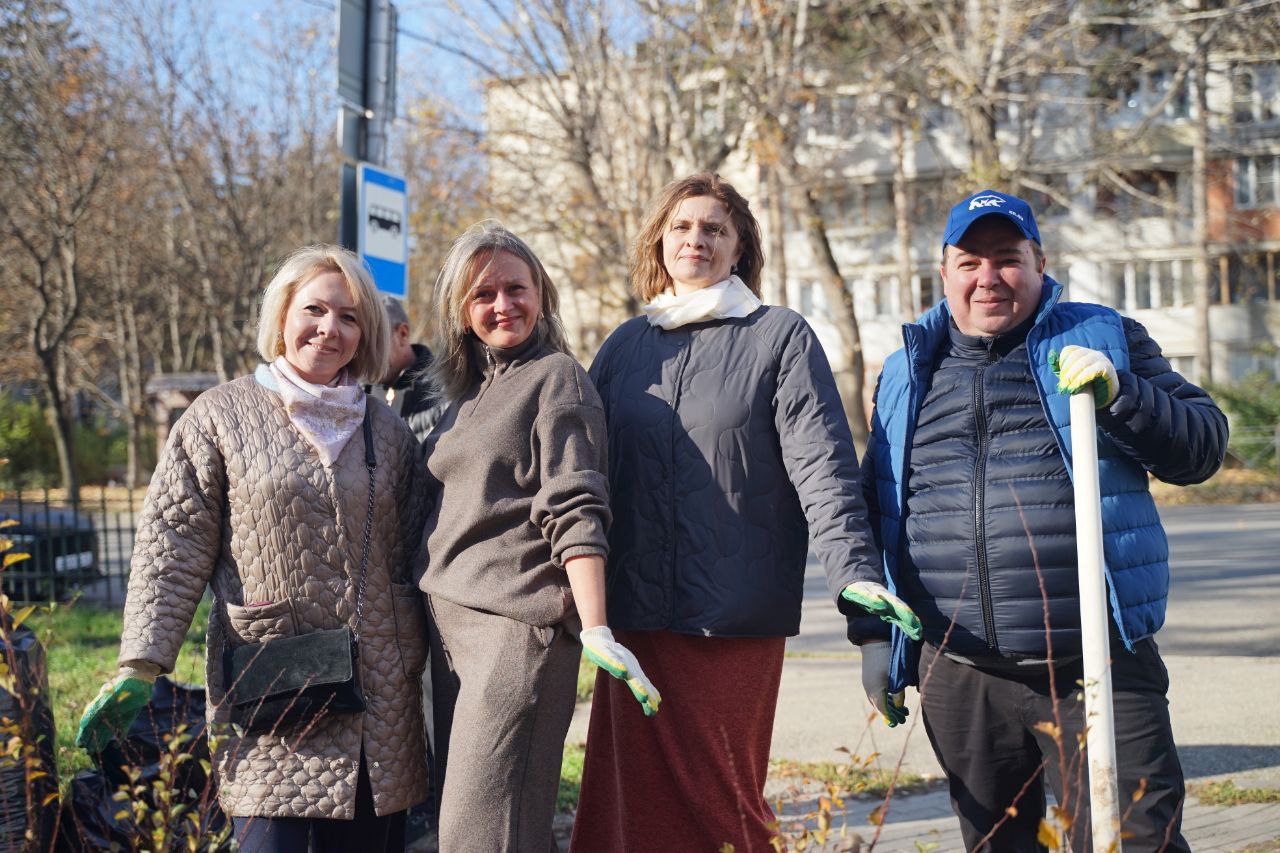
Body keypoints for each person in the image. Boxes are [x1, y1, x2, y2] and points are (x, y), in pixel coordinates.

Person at [856, 189, 1228, 851]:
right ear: (943, 273)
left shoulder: (1104, 337)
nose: (988, 277)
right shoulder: (906, 370)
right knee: (996, 843)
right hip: (962, 672)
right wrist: (873, 640)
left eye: (1007, 259)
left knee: (1135, 839)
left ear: (1040, 263)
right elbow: (875, 512)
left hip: (1095, 665)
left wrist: (1123, 393)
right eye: (969, 261)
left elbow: (1202, 446)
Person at [569, 171, 916, 853]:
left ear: (739, 246)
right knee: (630, 812)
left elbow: (825, 475)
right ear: (659, 242)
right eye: (681, 227)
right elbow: (584, 481)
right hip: (637, 625)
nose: (695, 239)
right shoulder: (623, 346)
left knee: (723, 809)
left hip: (730, 623)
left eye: (714, 228)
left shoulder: (779, 337)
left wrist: (868, 619)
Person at [76, 245, 431, 852]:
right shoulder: (221, 417)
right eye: (314, 310)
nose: (330, 329)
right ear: (283, 316)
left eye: (349, 317)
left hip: (378, 698)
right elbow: (173, 541)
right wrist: (142, 661)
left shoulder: (388, 430)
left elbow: (422, 553)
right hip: (276, 693)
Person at [420, 221, 659, 852]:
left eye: (516, 288)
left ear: (542, 295)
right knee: (505, 830)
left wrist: (598, 625)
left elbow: (576, 503)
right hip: (451, 635)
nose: (503, 304)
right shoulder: (469, 394)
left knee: (478, 836)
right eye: (483, 294)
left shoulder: (557, 378)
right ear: (460, 310)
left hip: (514, 631)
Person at [364, 294, 444, 443]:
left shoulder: (446, 392)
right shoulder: (356, 395)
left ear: (402, 334)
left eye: (373, 341)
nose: (364, 352)